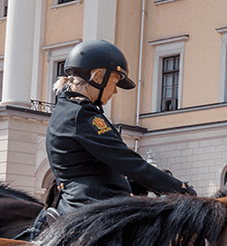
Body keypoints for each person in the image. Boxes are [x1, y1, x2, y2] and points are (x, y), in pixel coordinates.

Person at [45, 40, 193, 212]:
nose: (115, 91)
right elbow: (126, 161)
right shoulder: (81, 114)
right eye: (114, 82)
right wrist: (180, 189)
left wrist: (137, 184)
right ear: (98, 76)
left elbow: (96, 168)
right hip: (93, 207)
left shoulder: (70, 109)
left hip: (90, 202)